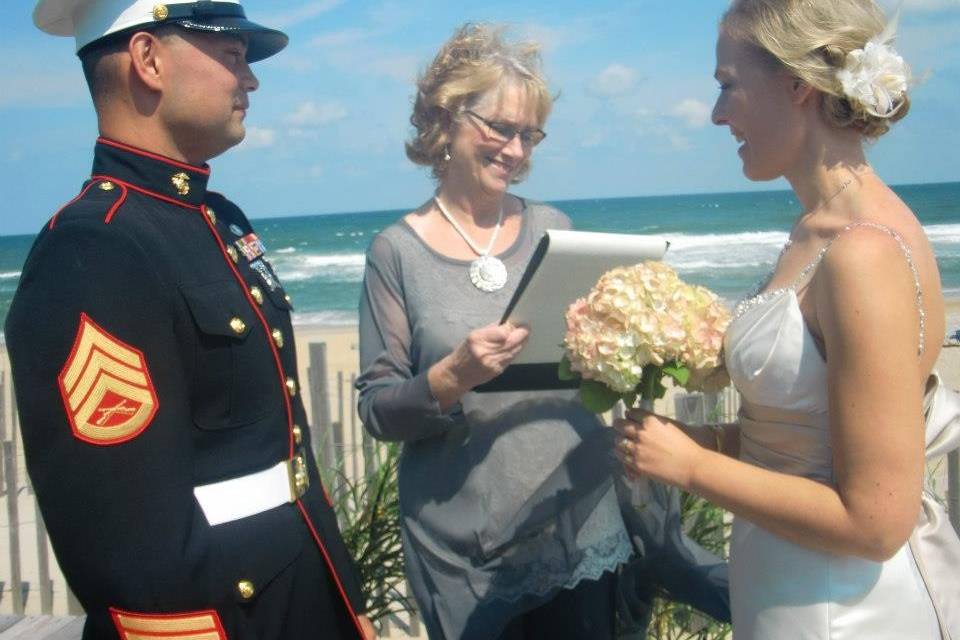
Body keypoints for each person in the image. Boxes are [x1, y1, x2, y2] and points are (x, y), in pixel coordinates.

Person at [6, 2, 374, 638]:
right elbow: (128, 538)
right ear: (148, 59)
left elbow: (288, 456)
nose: (250, 80)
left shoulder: (221, 219)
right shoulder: (93, 249)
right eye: (233, 55)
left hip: (301, 598)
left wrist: (345, 602)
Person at [355, 23, 728, 640]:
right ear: (446, 118)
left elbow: (601, 364)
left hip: (582, 527)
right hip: (467, 549)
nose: (516, 149)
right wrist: (451, 377)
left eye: (530, 135)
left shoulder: (555, 225)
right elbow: (377, 411)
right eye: (500, 128)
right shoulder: (395, 252)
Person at [614, 1, 956, 638]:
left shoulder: (865, 252)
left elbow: (876, 521)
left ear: (798, 83)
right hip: (784, 587)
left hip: (845, 609)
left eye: (727, 86)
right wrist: (701, 443)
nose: (717, 115)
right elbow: (808, 445)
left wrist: (691, 470)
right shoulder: (812, 233)